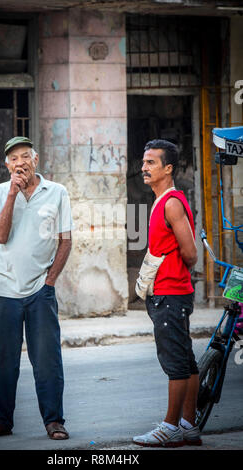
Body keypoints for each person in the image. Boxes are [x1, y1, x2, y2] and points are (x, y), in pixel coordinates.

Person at [0, 136, 73, 441]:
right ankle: (0, 419)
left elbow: (65, 240)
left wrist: (51, 280)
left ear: (36, 159)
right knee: (2, 360)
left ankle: (54, 421)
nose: (20, 163)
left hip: (40, 291)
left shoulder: (56, 192)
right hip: (5, 287)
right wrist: (12, 196)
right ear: (7, 165)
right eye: (14, 158)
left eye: (24, 156)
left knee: (47, 360)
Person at [133, 139, 201, 448]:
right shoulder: (162, 201)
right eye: (144, 162)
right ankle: (188, 424)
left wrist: (172, 272)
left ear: (168, 168)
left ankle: (171, 427)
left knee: (175, 363)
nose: (144, 168)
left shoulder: (171, 203)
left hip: (171, 295)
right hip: (169, 294)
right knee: (186, 361)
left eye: (151, 163)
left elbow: (191, 253)